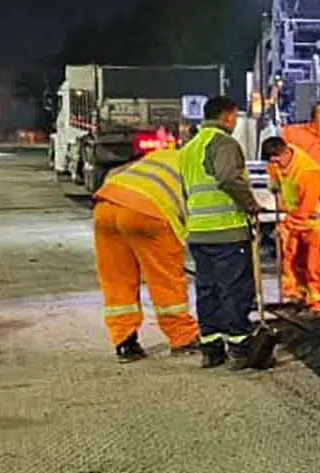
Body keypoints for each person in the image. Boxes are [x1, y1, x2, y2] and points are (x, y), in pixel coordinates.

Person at [177, 96, 267, 369]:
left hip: (198, 231)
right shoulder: (224, 143)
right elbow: (228, 178)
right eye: (235, 117)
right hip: (226, 230)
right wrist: (251, 205)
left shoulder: (189, 148)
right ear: (228, 117)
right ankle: (240, 347)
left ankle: (212, 348)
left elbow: (186, 190)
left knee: (208, 290)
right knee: (235, 289)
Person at [91, 144, 199, 361]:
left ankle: (124, 342)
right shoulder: (196, 164)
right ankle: (182, 336)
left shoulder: (162, 155)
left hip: (106, 205)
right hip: (147, 210)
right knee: (164, 277)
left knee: (116, 278)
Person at [262, 136, 320, 314]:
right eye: (272, 160)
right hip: (298, 214)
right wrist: (275, 188)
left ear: (286, 151)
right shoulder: (275, 164)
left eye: (278, 159)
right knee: (293, 255)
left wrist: (286, 225)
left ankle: (318, 299)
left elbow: (306, 208)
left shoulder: (308, 172)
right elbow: (277, 184)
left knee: (315, 261)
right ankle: (298, 293)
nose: (276, 164)